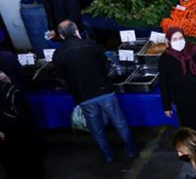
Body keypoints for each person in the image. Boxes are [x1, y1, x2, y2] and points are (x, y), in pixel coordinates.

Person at [53, 20, 137, 163]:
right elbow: (106, 65)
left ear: (61, 36)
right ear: (77, 31)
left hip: (84, 97)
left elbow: (62, 79)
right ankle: (131, 151)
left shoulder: (58, 54)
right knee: (120, 123)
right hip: (105, 91)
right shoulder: (91, 44)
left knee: (97, 129)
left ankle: (108, 156)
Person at [0, 71, 46, 179]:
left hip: (13, 126)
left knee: (16, 155)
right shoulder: (12, 90)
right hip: (15, 125)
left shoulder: (12, 91)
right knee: (22, 152)